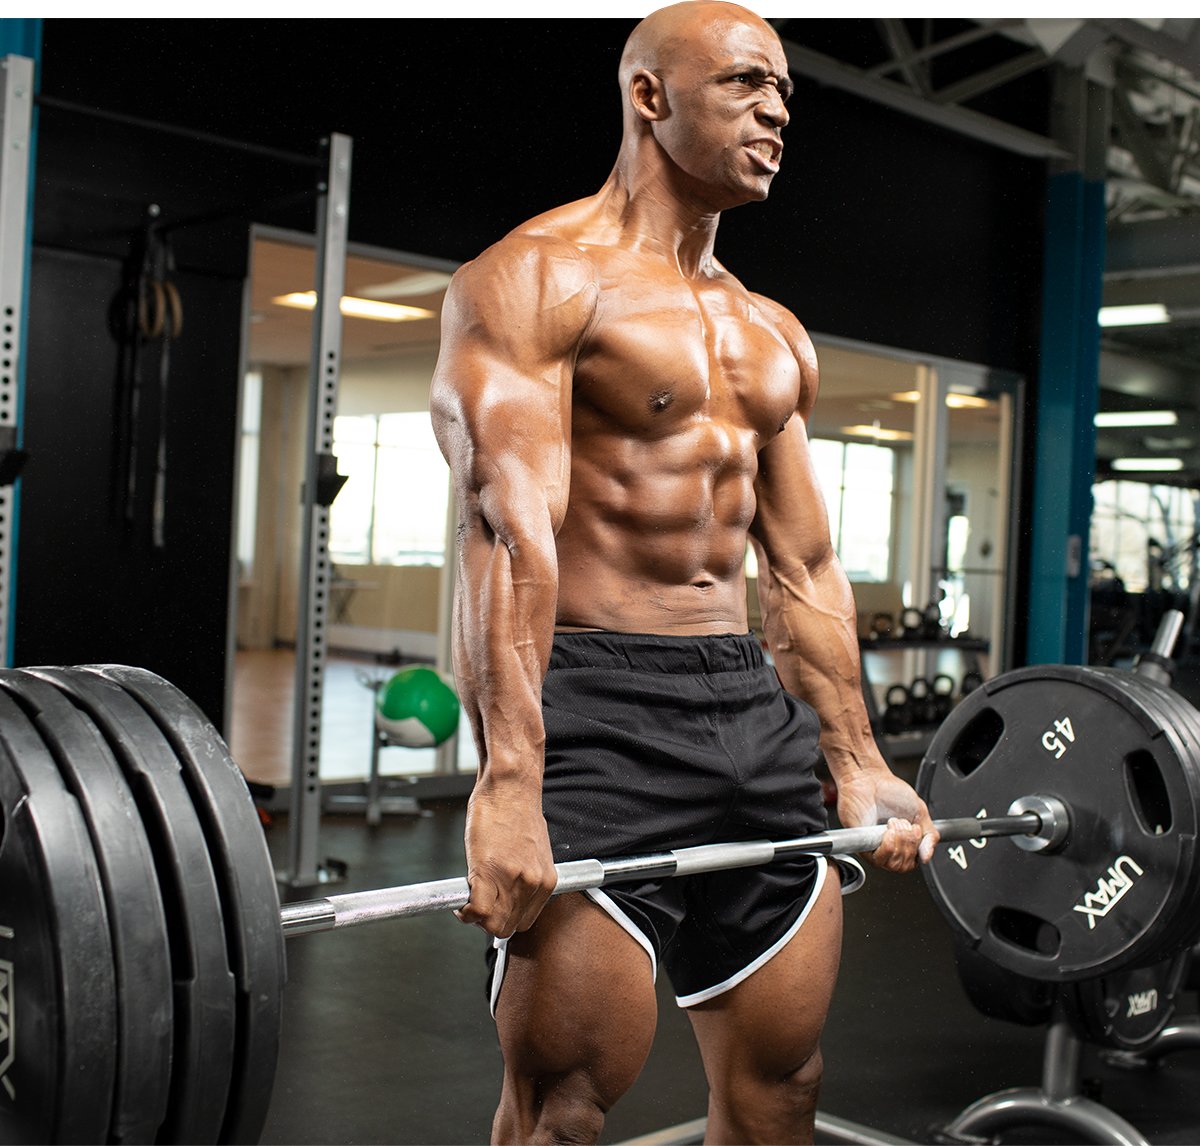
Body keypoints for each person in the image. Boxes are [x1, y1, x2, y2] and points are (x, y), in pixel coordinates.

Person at [430, 4, 939, 1142]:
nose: (777, 114)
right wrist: (509, 786)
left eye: (786, 96)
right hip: (596, 707)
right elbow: (506, 533)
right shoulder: (534, 281)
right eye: (748, 85)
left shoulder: (770, 332)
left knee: (785, 1084)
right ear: (650, 97)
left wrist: (857, 758)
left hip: (750, 713)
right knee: (562, 1106)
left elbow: (801, 562)